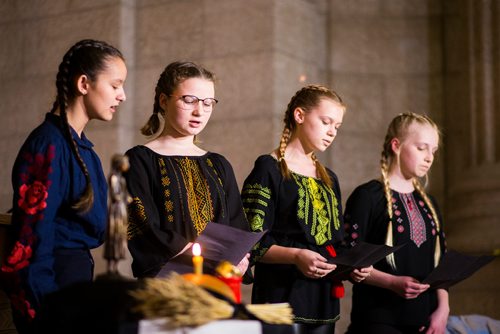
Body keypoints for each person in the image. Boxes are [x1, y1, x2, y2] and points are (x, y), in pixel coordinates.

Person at [0, 39, 127, 333]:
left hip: (75, 293)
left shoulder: (87, 153)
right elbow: (29, 247)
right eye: (115, 84)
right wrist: (49, 315)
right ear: (84, 83)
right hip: (50, 298)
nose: (122, 95)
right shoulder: (48, 145)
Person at [241, 85, 371, 334]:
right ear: (299, 116)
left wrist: (353, 265)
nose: (332, 132)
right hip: (281, 297)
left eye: (337, 126)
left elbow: (336, 240)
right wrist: (295, 256)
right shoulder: (269, 168)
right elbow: (251, 242)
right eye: (326, 121)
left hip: (324, 302)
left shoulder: (329, 178)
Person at [125, 61, 249, 279]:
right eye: (189, 100)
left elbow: (237, 226)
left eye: (208, 103)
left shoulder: (219, 165)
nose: (199, 111)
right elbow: (142, 225)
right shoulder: (140, 159)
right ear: (164, 101)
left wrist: (242, 258)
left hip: (218, 283)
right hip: (167, 285)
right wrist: (199, 256)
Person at [343, 112, 449, 334]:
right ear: (396, 145)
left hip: (425, 321)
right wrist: (391, 282)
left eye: (434, 150)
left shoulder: (429, 203)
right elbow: (351, 261)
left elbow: (440, 265)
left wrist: (443, 310)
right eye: (421, 148)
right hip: (379, 320)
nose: (429, 157)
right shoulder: (368, 196)